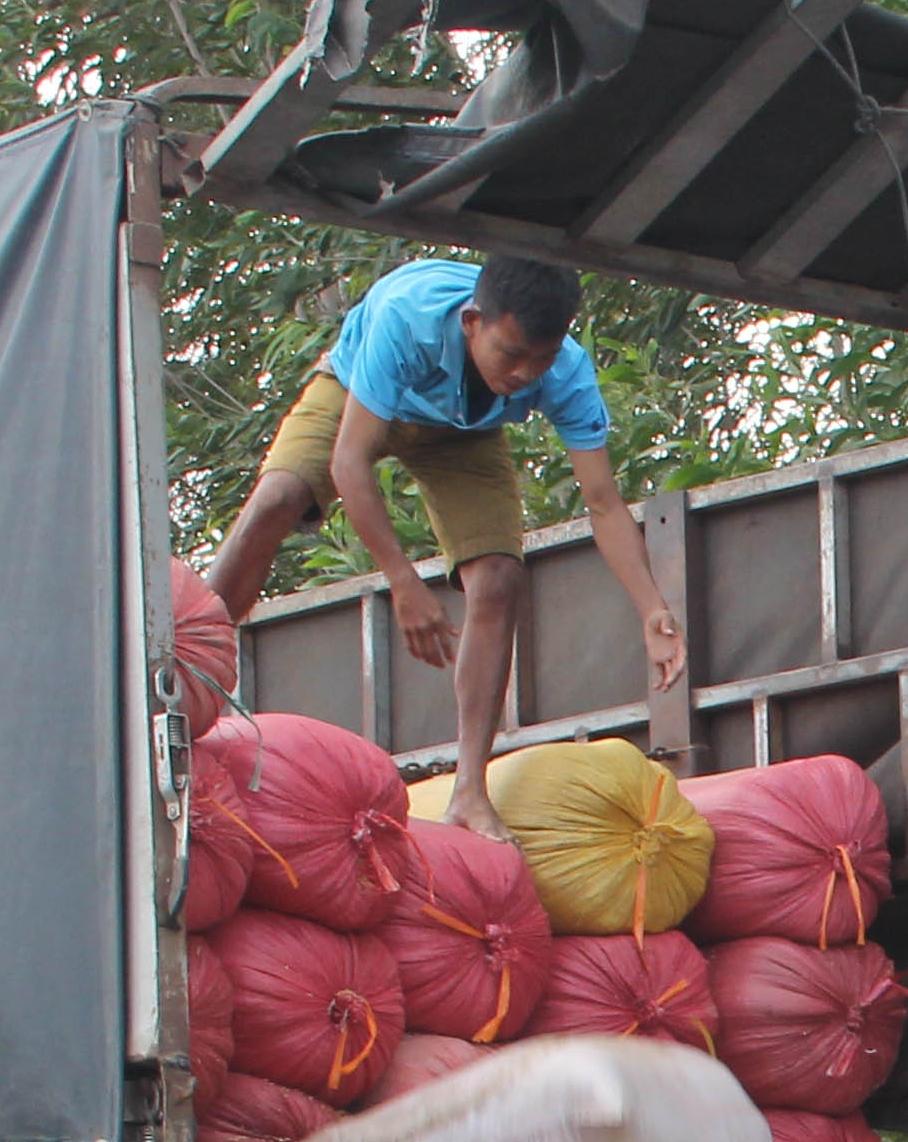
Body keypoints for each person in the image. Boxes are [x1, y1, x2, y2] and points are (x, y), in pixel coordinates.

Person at [196, 253, 687, 829]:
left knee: (501, 578)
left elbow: (603, 502)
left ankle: (469, 792)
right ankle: (189, 660)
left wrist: (652, 608)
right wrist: (403, 583)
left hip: (463, 432)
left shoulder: (565, 371)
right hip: (358, 393)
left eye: (542, 359)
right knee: (278, 498)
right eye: (511, 354)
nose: (526, 374)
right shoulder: (409, 317)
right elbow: (349, 463)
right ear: (473, 322)